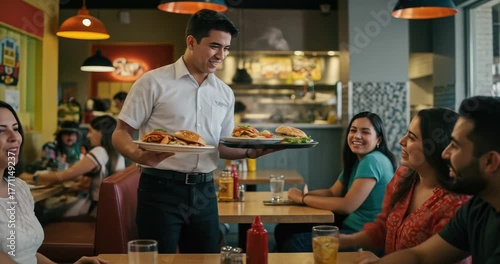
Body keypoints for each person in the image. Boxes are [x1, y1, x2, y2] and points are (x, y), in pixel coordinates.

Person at [111, 9, 276, 254]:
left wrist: (251, 152)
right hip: (160, 189)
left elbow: (220, 146)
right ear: (191, 42)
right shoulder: (153, 82)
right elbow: (120, 132)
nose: (221, 55)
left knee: (206, 259)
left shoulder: (224, 92)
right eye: (215, 46)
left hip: (205, 191)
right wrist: (138, 155)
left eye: (227, 48)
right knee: (160, 261)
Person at [365, 96, 500, 264]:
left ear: (489, 162)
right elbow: (420, 256)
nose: (445, 154)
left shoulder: (461, 202)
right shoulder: (479, 207)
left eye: (455, 146)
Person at [340, 108, 471, 263]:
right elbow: (382, 228)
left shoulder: (456, 203)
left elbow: (428, 257)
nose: (401, 141)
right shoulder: (402, 176)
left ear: (437, 147)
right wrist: (345, 240)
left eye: (412, 137)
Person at [0, 100, 108, 264]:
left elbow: (29, 254)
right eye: (1, 131)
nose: (14, 137)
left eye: (15, 129)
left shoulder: (19, 188)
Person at [275, 111, 397, 252]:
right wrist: (300, 195)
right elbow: (333, 192)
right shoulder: (360, 160)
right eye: (353, 130)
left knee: (295, 243)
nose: (357, 136)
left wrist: (303, 199)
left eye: (365, 132)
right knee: (284, 229)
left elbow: (347, 205)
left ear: (379, 140)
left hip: (363, 235)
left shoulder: (372, 160)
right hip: (349, 225)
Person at [23, 115, 125, 218]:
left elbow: (63, 176)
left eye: (91, 131)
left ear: (100, 133)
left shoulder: (99, 152)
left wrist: (32, 177)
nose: (88, 136)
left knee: (42, 212)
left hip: (94, 211)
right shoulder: (116, 152)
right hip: (107, 210)